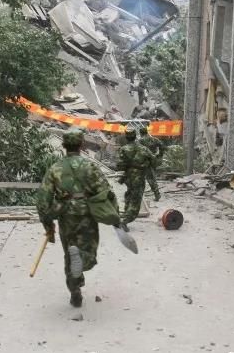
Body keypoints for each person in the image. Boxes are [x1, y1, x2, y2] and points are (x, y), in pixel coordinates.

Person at [36, 128, 116, 308]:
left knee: (69, 254)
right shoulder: (90, 166)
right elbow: (105, 191)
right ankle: (82, 257)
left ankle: (75, 291)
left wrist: (47, 224)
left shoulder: (55, 168)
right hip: (87, 214)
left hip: (65, 216)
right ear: (81, 144)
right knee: (89, 251)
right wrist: (114, 215)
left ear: (64, 145)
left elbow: (43, 199)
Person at [116, 128, 155, 227]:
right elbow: (154, 161)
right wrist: (145, 164)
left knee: (129, 194)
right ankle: (125, 220)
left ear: (126, 137)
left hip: (128, 177)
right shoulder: (143, 149)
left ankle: (126, 213)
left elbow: (119, 165)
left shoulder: (123, 149)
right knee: (136, 200)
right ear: (135, 136)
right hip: (139, 177)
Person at [138, 127, 163, 201]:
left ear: (141, 133)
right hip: (153, 160)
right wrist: (159, 155)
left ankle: (156, 194)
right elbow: (161, 145)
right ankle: (156, 194)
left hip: (145, 162)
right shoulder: (154, 139)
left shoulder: (140, 140)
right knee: (151, 177)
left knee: (148, 178)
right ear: (147, 132)